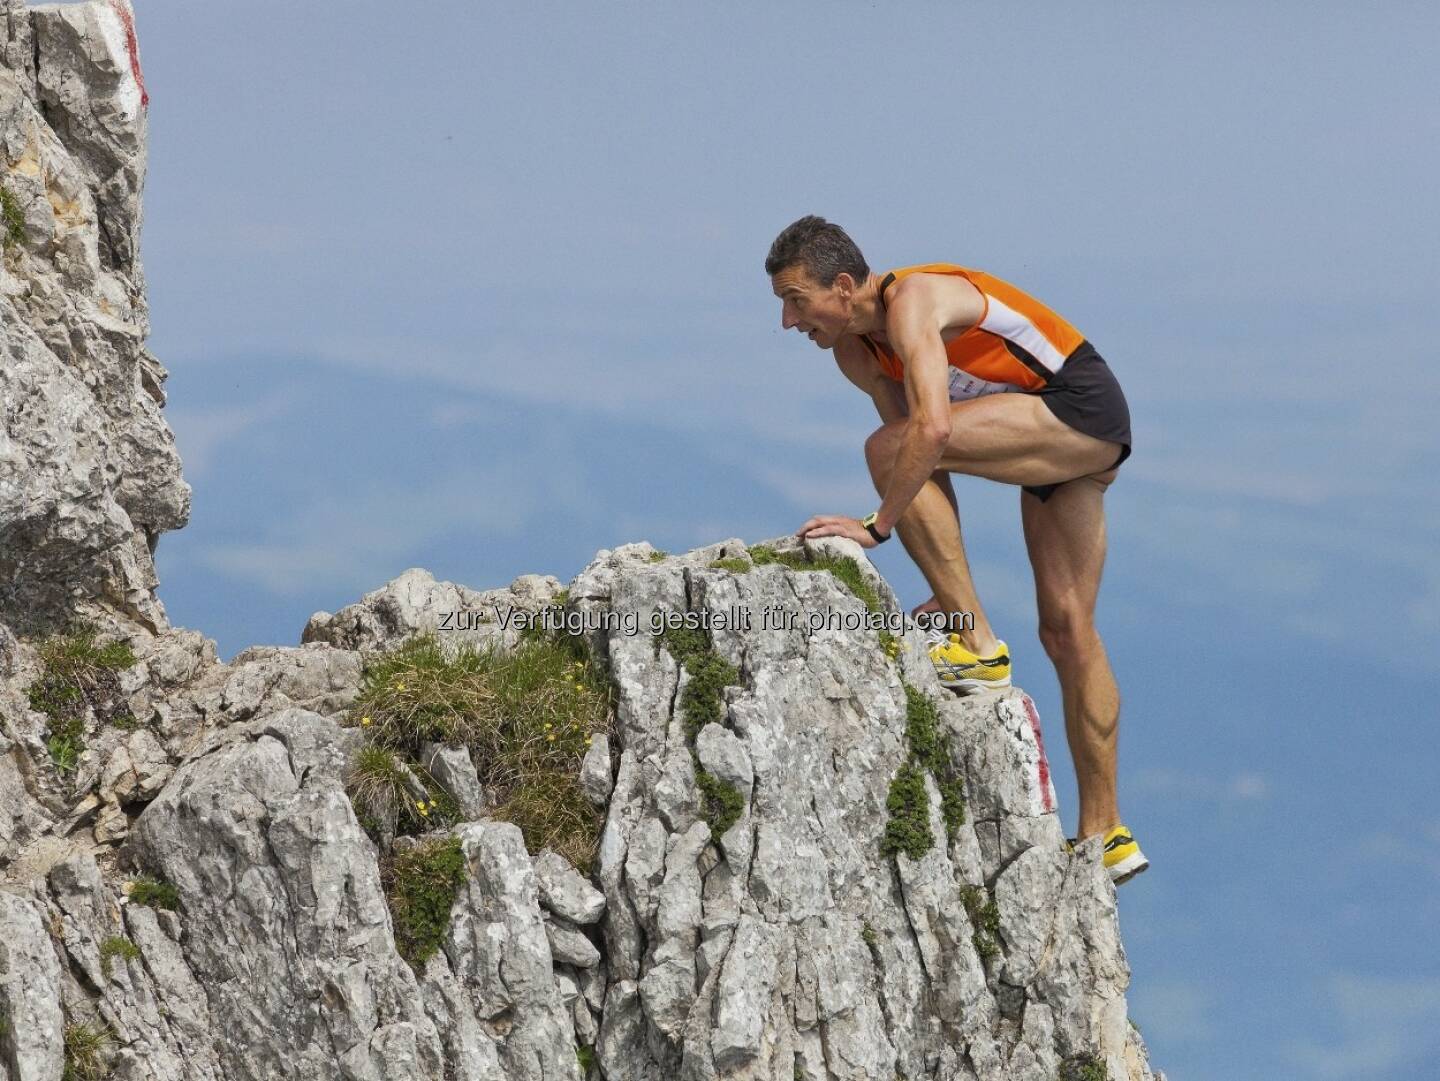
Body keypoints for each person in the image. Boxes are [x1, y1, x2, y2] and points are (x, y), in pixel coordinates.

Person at [767, 215, 1147, 884]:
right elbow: (924, 477)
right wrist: (940, 584)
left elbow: (931, 431)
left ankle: (976, 643)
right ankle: (1105, 833)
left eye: (797, 301)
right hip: (1057, 442)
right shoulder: (856, 352)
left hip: (1078, 407)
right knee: (1066, 628)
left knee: (887, 448)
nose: (790, 323)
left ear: (846, 285)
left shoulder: (914, 300)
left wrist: (876, 528)